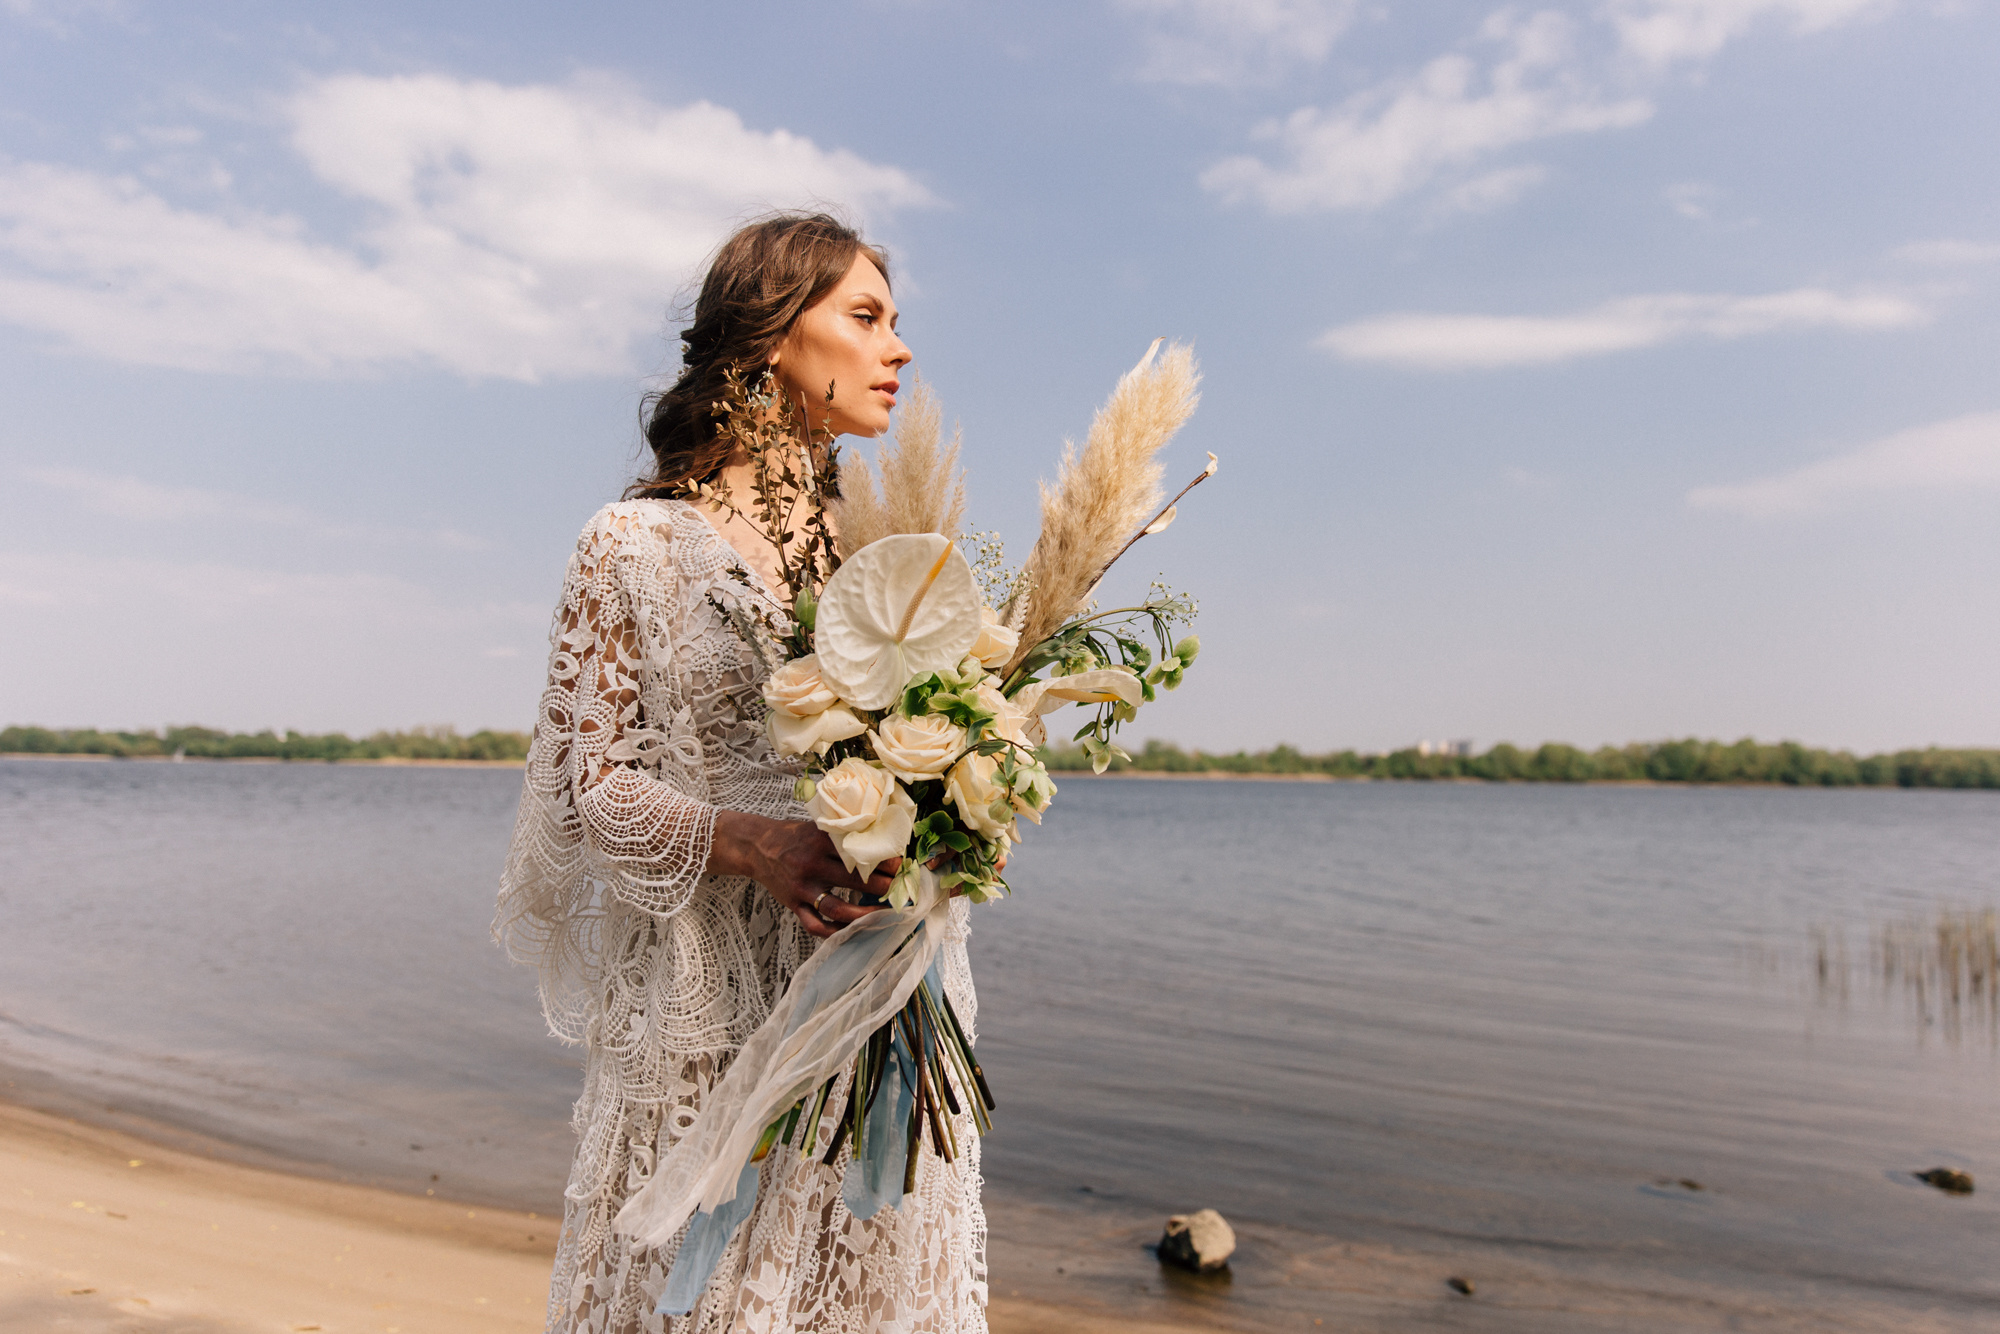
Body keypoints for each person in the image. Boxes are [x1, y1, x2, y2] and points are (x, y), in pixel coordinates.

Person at [496, 213, 988, 1334]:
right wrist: (754, 841)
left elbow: (945, 733)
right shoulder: (633, 543)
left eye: (896, 323)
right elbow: (591, 785)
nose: (896, 349)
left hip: (878, 993)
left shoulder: (887, 548)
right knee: (698, 1295)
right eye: (864, 318)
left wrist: (962, 816)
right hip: (708, 995)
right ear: (769, 336)